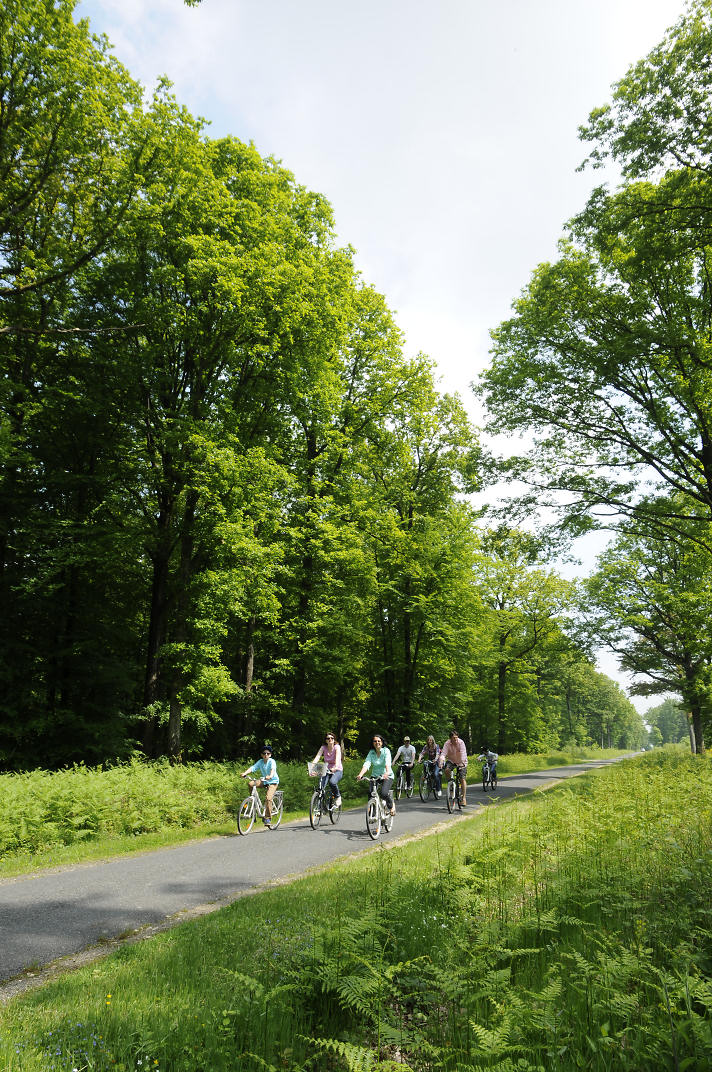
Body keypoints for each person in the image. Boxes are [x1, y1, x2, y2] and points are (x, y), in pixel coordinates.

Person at [241, 744, 279, 828]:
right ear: (261, 754)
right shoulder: (260, 761)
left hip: (273, 782)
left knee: (268, 798)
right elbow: (253, 768)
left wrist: (270, 776)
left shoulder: (272, 761)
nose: (266, 755)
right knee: (251, 784)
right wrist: (245, 773)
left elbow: (273, 770)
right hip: (264, 781)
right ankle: (253, 801)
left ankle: (267, 818)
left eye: (268, 753)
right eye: (264, 753)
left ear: (270, 755)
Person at [356, 733, 395, 815]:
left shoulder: (386, 751)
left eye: (379, 741)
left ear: (382, 742)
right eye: (375, 741)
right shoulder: (371, 752)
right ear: (372, 743)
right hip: (375, 776)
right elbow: (367, 764)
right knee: (371, 793)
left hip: (387, 775)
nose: (377, 742)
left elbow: (387, 763)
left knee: (383, 794)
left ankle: (391, 805)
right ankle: (372, 814)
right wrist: (360, 774)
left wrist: (387, 772)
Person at [311, 731, 343, 807]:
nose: (330, 739)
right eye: (328, 738)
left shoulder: (337, 747)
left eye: (332, 738)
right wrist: (311, 768)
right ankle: (319, 807)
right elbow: (317, 757)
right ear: (326, 740)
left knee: (332, 782)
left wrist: (335, 767)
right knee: (321, 787)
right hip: (326, 768)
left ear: (334, 739)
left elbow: (338, 758)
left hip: (337, 769)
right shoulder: (323, 747)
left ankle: (338, 797)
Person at [438, 728, 468, 806]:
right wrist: (441, 762)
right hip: (451, 760)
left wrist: (462, 763)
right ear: (450, 738)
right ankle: (450, 784)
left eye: (456, 737)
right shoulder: (447, 743)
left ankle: (463, 798)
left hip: (462, 762)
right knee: (446, 770)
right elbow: (443, 754)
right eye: (454, 738)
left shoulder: (461, 742)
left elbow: (463, 753)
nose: (455, 739)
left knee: (462, 778)